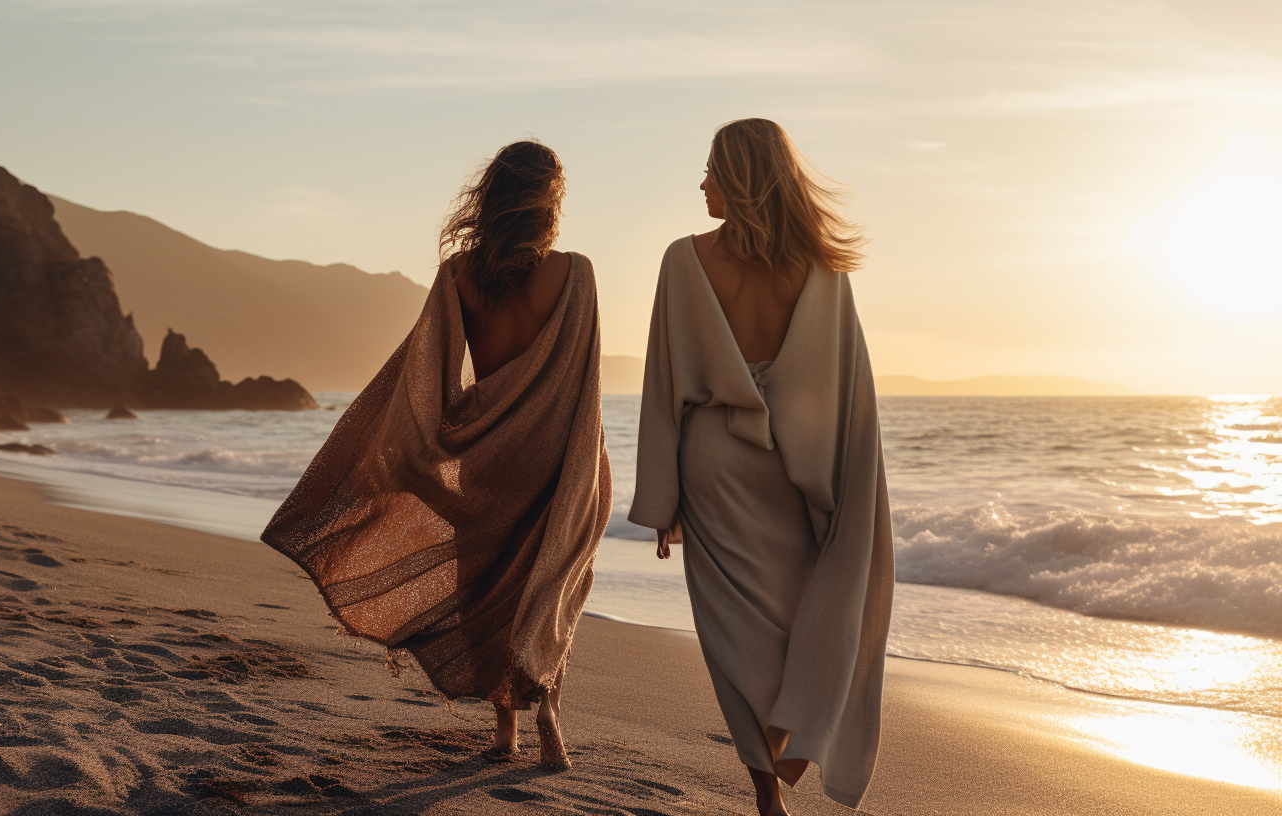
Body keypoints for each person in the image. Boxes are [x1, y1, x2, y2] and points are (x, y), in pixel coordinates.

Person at [262, 140, 612, 769]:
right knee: (547, 581)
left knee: (482, 589)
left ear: (492, 196)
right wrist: (583, 467)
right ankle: (550, 718)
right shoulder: (577, 273)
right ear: (548, 201)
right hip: (549, 459)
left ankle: (504, 728)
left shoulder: (459, 275)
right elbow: (583, 387)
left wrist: (421, 448)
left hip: (482, 457)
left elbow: (425, 377)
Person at [628, 119, 893, 815]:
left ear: (740, 177)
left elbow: (663, 387)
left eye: (711, 169)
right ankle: (798, 731)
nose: (703, 183)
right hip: (793, 468)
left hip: (712, 464)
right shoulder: (823, 270)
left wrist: (662, 501)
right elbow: (848, 396)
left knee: (731, 633)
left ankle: (764, 793)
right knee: (797, 616)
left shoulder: (683, 260)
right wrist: (841, 493)